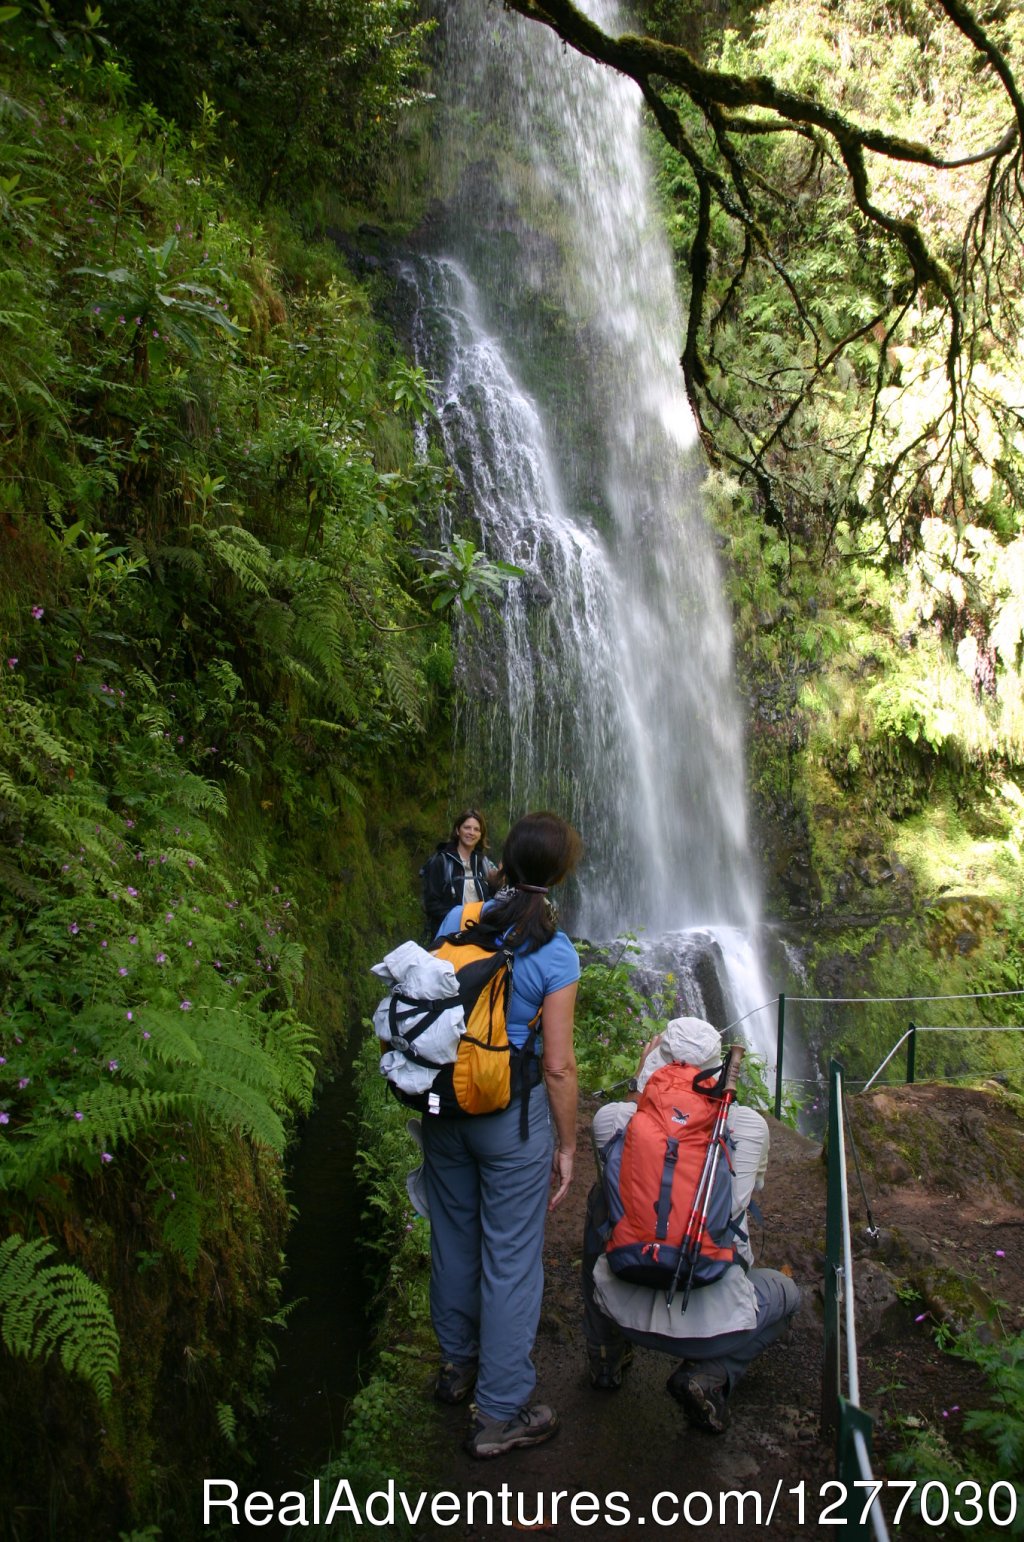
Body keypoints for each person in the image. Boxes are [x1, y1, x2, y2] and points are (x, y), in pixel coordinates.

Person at [421, 811, 583, 1458]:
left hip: (444, 1108)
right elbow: (560, 1065)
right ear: (561, 874)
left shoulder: (456, 921)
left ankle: (458, 1366)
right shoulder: (555, 952)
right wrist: (569, 1147)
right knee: (511, 1258)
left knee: (454, 1237)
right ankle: (501, 1409)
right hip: (509, 1117)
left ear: (502, 863)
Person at [582, 1016, 799, 1435]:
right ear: (716, 1072)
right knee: (787, 1296)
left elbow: (622, 1191)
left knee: (601, 1206)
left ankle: (605, 1358)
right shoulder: (750, 1127)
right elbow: (748, 1196)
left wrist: (640, 1081)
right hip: (715, 1319)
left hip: (622, 1302)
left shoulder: (610, 1120)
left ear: (655, 1062)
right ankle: (710, 1373)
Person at [420, 808, 500, 939]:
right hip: (448, 935)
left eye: (476, 829)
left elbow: (494, 900)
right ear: (458, 830)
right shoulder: (441, 861)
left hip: (479, 936)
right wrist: (461, 917)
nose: (471, 832)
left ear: (481, 835)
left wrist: (499, 883)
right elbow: (431, 904)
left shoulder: (484, 864)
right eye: (467, 827)